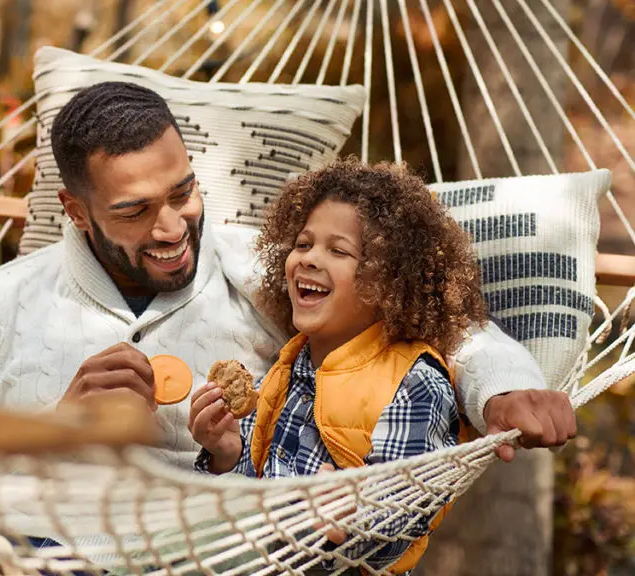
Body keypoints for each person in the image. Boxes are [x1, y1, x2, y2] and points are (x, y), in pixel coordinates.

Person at [0, 80, 576, 473]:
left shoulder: (265, 270)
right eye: (133, 211)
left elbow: (437, 325)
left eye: (182, 192)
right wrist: (50, 430)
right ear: (75, 211)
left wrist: (502, 388)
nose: (171, 227)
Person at [188, 158, 487, 574]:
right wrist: (227, 451)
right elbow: (253, 483)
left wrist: (349, 519)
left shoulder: (415, 382)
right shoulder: (287, 366)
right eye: (303, 244)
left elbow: (400, 523)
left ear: (388, 282)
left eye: (338, 250)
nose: (308, 259)